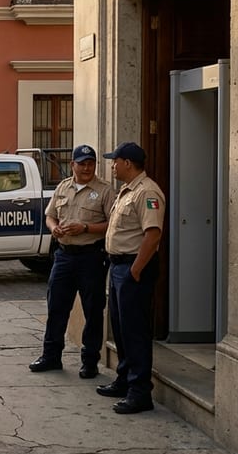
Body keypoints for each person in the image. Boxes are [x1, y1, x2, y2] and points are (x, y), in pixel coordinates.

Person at [29, 145, 116, 378]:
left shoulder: (105, 191)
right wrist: (54, 228)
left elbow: (113, 225)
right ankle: (51, 356)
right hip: (64, 256)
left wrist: (86, 227)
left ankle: (90, 361)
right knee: (56, 306)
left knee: (93, 310)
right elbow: (50, 215)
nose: (87, 167)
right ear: (73, 165)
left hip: (91, 257)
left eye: (91, 163)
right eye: (82, 163)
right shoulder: (63, 186)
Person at [97, 142, 165, 415]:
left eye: (115, 161)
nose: (112, 165)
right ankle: (125, 379)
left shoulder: (147, 192)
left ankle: (140, 391)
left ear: (127, 163)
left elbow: (153, 234)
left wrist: (136, 270)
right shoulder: (126, 191)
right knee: (122, 328)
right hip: (118, 268)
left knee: (135, 331)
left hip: (133, 268)